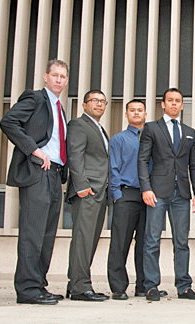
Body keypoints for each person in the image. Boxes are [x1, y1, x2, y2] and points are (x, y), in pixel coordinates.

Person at [0, 59, 69, 305]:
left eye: (63, 76)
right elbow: (8, 121)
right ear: (45, 77)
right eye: (55, 75)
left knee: (47, 233)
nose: (59, 80)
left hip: (54, 174)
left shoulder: (60, 107)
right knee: (33, 232)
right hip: (37, 171)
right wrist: (33, 150)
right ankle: (27, 289)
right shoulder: (35, 98)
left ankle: (38, 284)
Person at [138, 88, 195, 301]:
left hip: (182, 194)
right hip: (157, 192)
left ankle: (184, 287)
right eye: (170, 100)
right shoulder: (151, 128)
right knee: (151, 240)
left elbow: (194, 165)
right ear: (163, 104)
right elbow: (142, 160)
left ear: (182, 105)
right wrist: (146, 188)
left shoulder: (190, 132)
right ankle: (151, 286)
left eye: (178, 101)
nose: (174, 104)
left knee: (181, 242)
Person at [66, 90, 110, 301]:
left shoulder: (99, 128)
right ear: (84, 105)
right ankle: (80, 287)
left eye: (103, 101)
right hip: (87, 191)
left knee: (90, 240)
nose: (99, 104)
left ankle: (76, 283)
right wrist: (82, 185)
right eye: (95, 101)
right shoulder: (78, 125)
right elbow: (75, 155)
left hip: (100, 192)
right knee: (83, 239)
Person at [107, 99, 149, 300]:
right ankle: (118, 287)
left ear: (145, 114)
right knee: (120, 242)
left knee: (145, 243)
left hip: (148, 196)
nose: (136, 113)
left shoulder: (151, 139)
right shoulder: (118, 139)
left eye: (140, 110)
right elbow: (113, 168)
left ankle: (143, 285)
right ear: (126, 114)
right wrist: (117, 195)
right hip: (126, 194)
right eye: (132, 110)